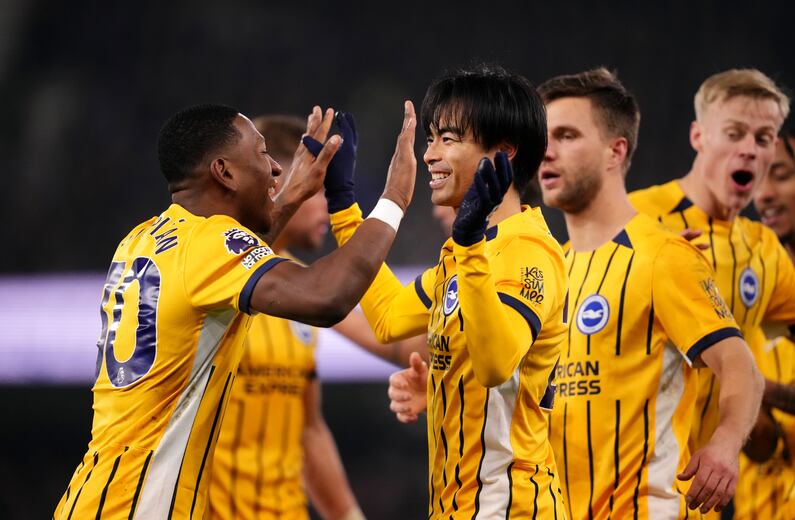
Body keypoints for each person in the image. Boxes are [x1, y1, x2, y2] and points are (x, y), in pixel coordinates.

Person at [53, 102, 418, 519]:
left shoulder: (143, 239)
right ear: (224, 172)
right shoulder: (210, 244)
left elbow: (236, 253)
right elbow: (327, 296)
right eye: (262, 155)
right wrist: (393, 199)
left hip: (98, 496)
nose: (276, 171)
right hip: (140, 506)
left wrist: (295, 193)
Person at [536, 68, 764, 519]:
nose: (545, 150)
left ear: (614, 151)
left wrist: (723, 444)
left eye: (565, 135)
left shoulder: (663, 256)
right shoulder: (550, 268)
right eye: (542, 136)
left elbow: (739, 365)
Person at [345, 64, 569, 518]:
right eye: (430, 139)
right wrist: (343, 209)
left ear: (503, 154)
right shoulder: (462, 253)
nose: (429, 154)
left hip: (512, 508)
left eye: (448, 139)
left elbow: (494, 365)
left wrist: (468, 246)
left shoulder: (527, 250)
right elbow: (387, 317)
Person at [209, 114, 426, 520]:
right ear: (282, 181)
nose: (327, 200)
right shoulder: (210, 273)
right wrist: (392, 199)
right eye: (321, 186)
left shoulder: (298, 287)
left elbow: (307, 428)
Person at [628, 69, 795, 458]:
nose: (750, 150)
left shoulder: (763, 249)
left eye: (763, 138)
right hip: (623, 487)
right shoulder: (637, 218)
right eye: (734, 133)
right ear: (698, 136)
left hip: (704, 491)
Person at [734, 130, 795, 519]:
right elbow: (762, 445)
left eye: (782, 174)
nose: (765, 195)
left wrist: (758, 387)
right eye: (759, 180)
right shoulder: (746, 287)